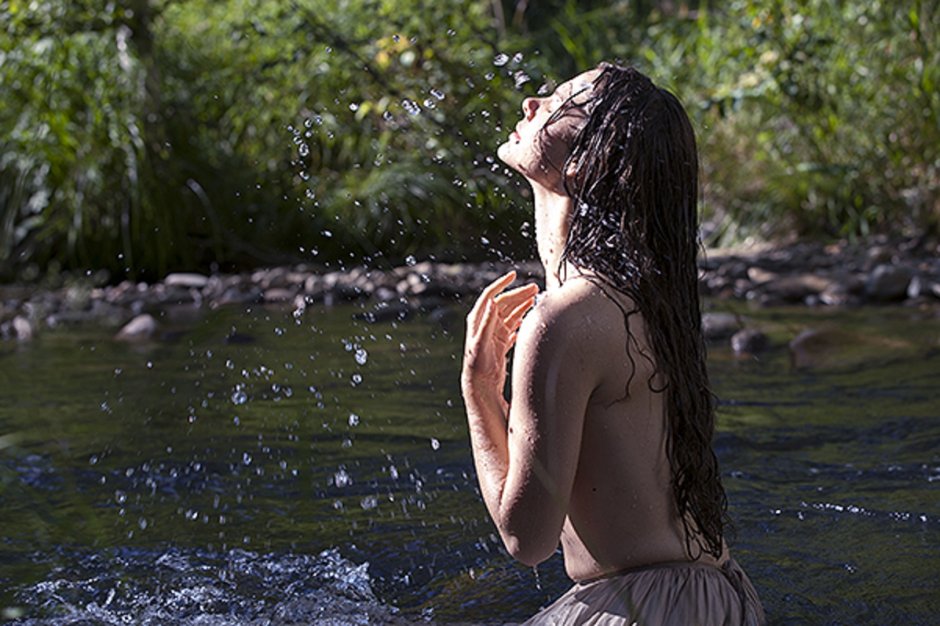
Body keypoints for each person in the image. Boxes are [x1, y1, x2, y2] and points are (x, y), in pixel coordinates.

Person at [460, 62, 765, 625]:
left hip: (644, 609)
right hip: (723, 598)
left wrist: (480, 391)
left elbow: (527, 538)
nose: (532, 102)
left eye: (556, 102)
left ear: (583, 162)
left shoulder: (565, 319)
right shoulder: (649, 303)